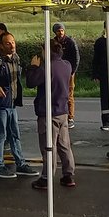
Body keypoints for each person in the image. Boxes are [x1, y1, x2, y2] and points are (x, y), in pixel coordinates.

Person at [0, 32, 39, 179]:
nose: (12, 46)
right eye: (8, 43)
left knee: (14, 134)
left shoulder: (15, 58)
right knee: (0, 134)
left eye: (13, 42)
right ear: (1, 45)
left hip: (11, 103)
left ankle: (20, 163)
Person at [24, 38, 76, 189]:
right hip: (63, 110)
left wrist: (33, 67)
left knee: (48, 146)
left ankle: (47, 177)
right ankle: (68, 174)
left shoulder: (46, 68)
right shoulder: (66, 65)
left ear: (46, 51)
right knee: (64, 145)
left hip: (48, 111)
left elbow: (31, 82)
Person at [90, 20, 109, 131]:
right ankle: (107, 122)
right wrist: (95, 74)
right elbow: (96, 59)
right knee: (106, 99)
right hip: (104, 74)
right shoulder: (100, 42)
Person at [52, 23, 80, 129]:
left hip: (69, 71)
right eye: (58, 31)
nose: (61, 32)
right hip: (56, 71)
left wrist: (73, 71)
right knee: (57, 92)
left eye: (62, 30)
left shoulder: (70, 42)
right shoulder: (53, 42)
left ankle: (70, 117)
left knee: (69, 94)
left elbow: (76, 57)